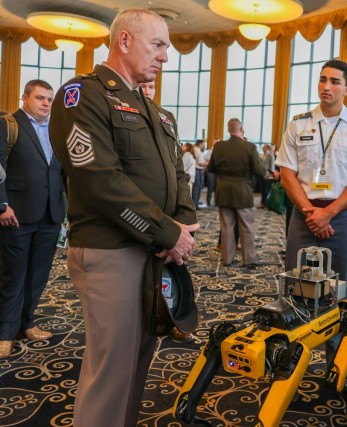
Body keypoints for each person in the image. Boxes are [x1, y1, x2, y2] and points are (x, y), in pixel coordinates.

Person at [49, 9, 198, 427]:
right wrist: (169, 231)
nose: (166, 57)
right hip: (110, 250)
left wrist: (184, 224)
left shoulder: (152, 109)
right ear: (125, 41)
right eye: (158, 45)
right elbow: (100, 179)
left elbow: (177, 172)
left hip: (154, 251)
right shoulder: (84, 95)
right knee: (111, 371)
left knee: (138, 359)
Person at [277, 59, 347, 368]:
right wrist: (311, 212)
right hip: (303, 216)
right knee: (296, 287)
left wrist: (329, 213)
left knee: (339, 291)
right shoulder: (299, 123)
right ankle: (292, 361)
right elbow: (286, 174)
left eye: (334, 81)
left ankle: (336, 363)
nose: (326, 86)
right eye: (322, 79)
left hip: (340, 218)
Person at [0, 80, 66, 358]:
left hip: (50, 214)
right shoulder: (8, 125)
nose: (46, 104)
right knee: (13, 275)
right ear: (24, 97)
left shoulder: (56, 129)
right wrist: (2, 204)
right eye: (40, 98)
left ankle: (26, 324)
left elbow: (61, 172)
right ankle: (4, 333)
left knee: (38, 275)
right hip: (16, 214)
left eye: (50, 99)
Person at [139, 80, 195, 344]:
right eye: (142, 85)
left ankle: (169, 316)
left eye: (150, 86)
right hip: (140, 219)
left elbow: (179, 173)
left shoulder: (166, 118)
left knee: (170, 271)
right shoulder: (119, 115)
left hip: (173, 222)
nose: (146, 91)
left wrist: (185, 224)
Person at [208, 118, 265, 267]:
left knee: (226, 226)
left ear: (228, 130)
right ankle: (249, 259)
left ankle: (227, 259)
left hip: (223, 190)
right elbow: (259, 171)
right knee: (246, 226)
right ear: (242, 130)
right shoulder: (249, 147)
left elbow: (211, 169)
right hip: (243, 192)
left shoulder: (218, 146)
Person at [259, 144, 276, 208]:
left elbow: (272, 167)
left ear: (267, 148)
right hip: (263, 175)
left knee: (267, 191)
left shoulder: (271, 155)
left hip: (268, 177)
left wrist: (269, 175)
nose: (262, 148)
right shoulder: (264, 155)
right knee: (263, 190)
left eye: (263, 147)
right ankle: (263, 203)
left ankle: (266, 204)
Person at [192, 139, 206, 209]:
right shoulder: (197, 150)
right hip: (197, 170)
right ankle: (195, 205)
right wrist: (208, 163)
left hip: (198, 170)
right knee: (197, 188)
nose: (204, 145)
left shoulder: (197, 150)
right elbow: (200, 163)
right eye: (203, 144)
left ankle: (196, 204)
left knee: (197, 188)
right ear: (200, 144)